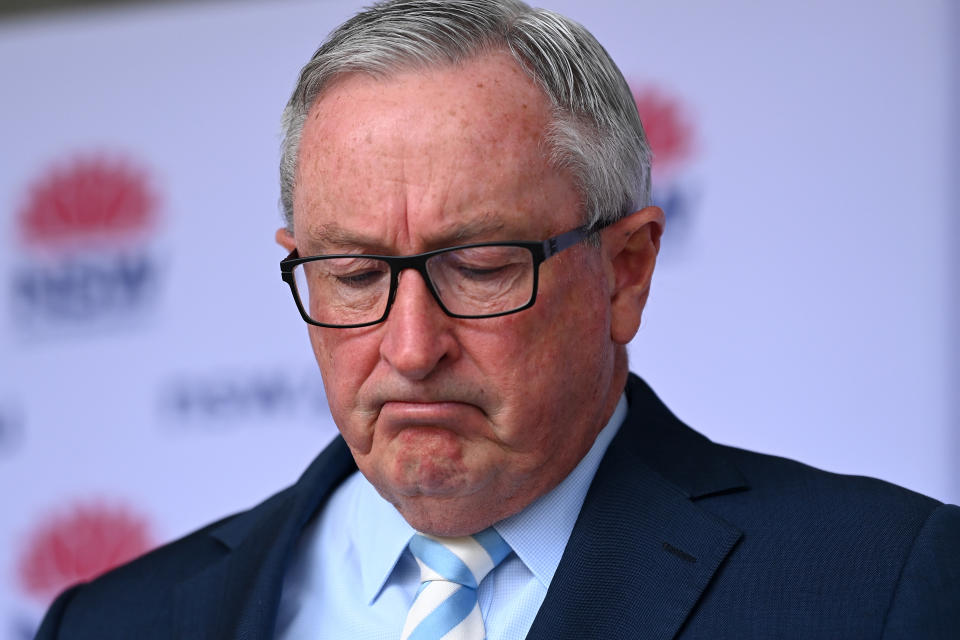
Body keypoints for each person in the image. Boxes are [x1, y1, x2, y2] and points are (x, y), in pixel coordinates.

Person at [36, 1, 959, 638]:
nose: (409, 348)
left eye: (478, 268)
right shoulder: (116, 625)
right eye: (353, 275)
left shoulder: (876, 586)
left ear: (626, 272)